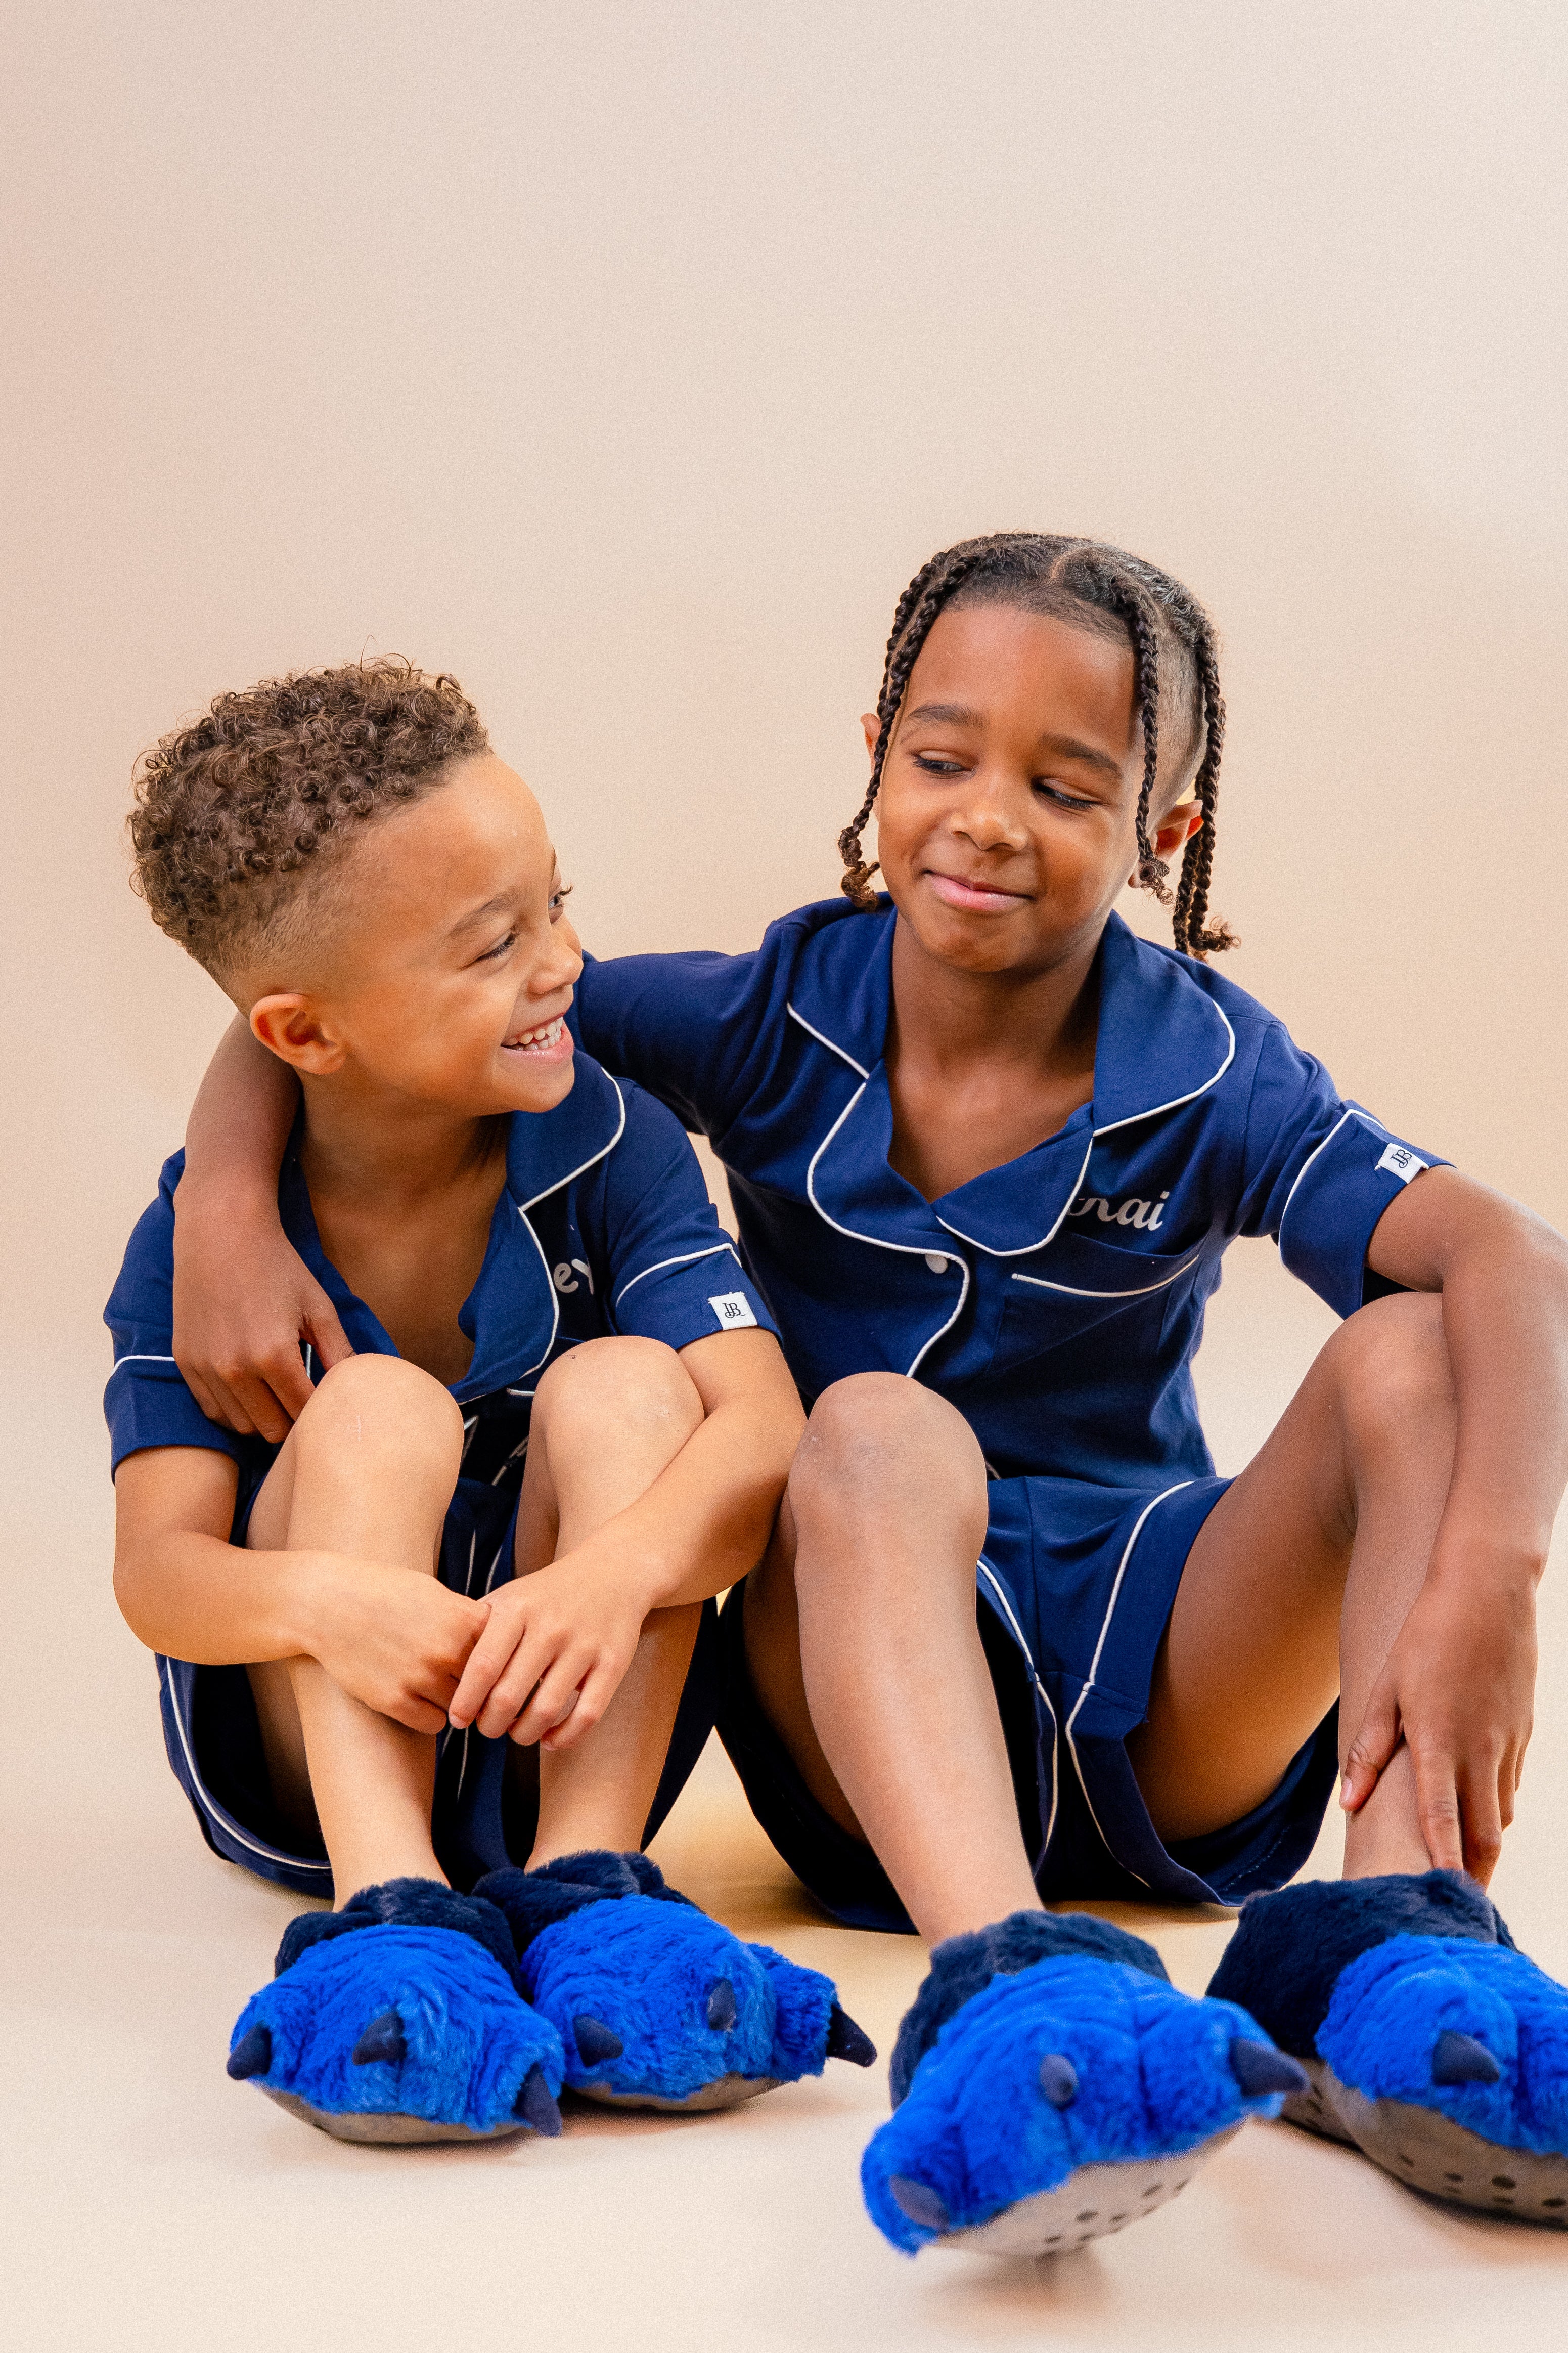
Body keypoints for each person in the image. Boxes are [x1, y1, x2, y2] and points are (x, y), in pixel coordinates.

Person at [170, 539, 1568, 2245]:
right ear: (875, 756)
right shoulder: (770, 1017)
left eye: (1068, 785)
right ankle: (1004, 1986)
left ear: (1163, 837)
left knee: (1414, 1343)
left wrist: (1491, 1577)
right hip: (866, 1694)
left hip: (1162, 1680)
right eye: (941, 757)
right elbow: (385, 990)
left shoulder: (1215, 1062)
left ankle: (1391, 1956)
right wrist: (228, 1205)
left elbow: (1517, 1259)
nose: (987, 816)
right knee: (874, 1425)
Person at [106, 659, 874, 2148]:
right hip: (309, 1756)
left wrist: (615, 1572)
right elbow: (156, 1573)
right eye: (490, 946)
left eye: (557, 901)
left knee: (635, 1382)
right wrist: (330, 1601)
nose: (563, 961)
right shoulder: (205, 1250)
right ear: (304, 1037)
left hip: (563, 1716)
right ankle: (391, 1913)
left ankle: (587, 1896)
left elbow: (764, 1422)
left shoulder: (612, 1140)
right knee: (383, 1408)